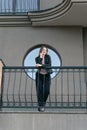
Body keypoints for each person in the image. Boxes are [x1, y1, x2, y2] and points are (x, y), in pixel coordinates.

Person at [35, 46, 52, 112]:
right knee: (39, 91)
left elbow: (49, 65)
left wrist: (41, 65)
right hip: (39, 76)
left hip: (47, 75)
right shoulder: (37, 58)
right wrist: (41, 57)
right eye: (43, 50)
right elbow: (37, 65)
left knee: (46, 91)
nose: (45, 52)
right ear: (41, 51)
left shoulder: (48, 57)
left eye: (46, 51)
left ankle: (42, 104)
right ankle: (41, 106)